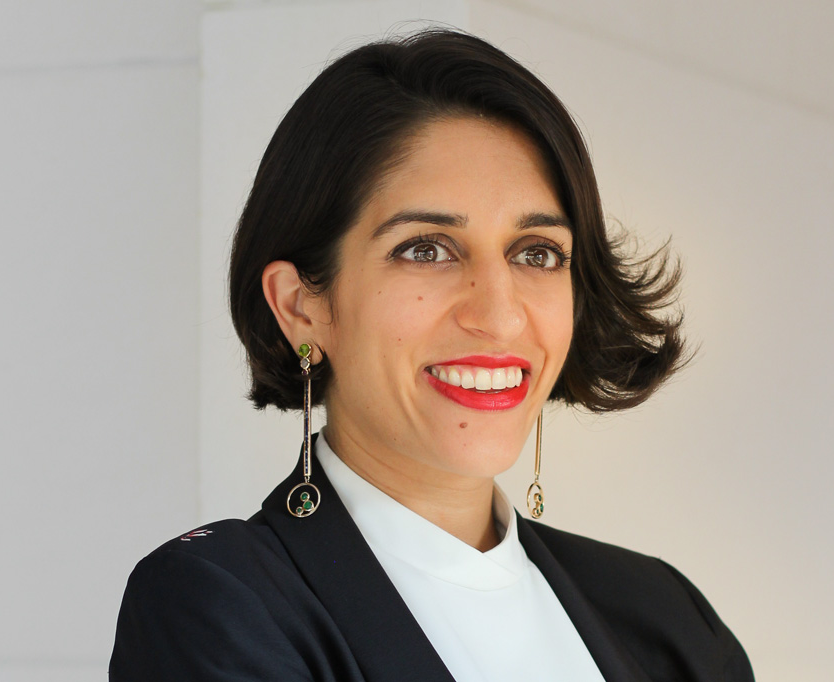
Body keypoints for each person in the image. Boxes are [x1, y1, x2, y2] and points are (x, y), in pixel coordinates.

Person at [110, 29, 754, 682]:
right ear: (302, 306)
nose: (500, 315)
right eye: (426, 250)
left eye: (536, 253)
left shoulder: (669, 620)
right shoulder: (217, 603)